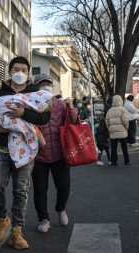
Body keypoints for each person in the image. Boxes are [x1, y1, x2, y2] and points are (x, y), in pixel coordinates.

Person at [0, 56, 50, 250]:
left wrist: (24, 114)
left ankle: (17, 231)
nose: (20, 73)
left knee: (21, 190)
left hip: (25, 149)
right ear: (9, 71)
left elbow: (45, 117)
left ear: (28, 73)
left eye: (24, 70)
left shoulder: (35, 94)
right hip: (0, 148)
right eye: (16, 69)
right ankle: (2, 218)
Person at [31, 74, 78, 233]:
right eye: (41, 83)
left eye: (48, 83)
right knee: (40, 189)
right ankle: (43, 218)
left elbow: (73, 122)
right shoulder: (31, 103)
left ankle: (61, 208)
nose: (45, 86)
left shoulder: (60, 104)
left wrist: (71, 106)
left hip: (60, 153)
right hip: (38, 155)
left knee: (64, 186)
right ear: (36, 87)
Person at [106, 95, 130, 166]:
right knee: (124, 147)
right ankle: (127, 160)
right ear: (121, 101)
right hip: (122, 131)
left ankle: (114, 162)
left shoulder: (109, 110)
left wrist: (109, 129)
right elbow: (125, 121)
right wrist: (126, 128)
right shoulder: (123, 110)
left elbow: (107, 121)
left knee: (113, 148)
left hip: (113, 131)